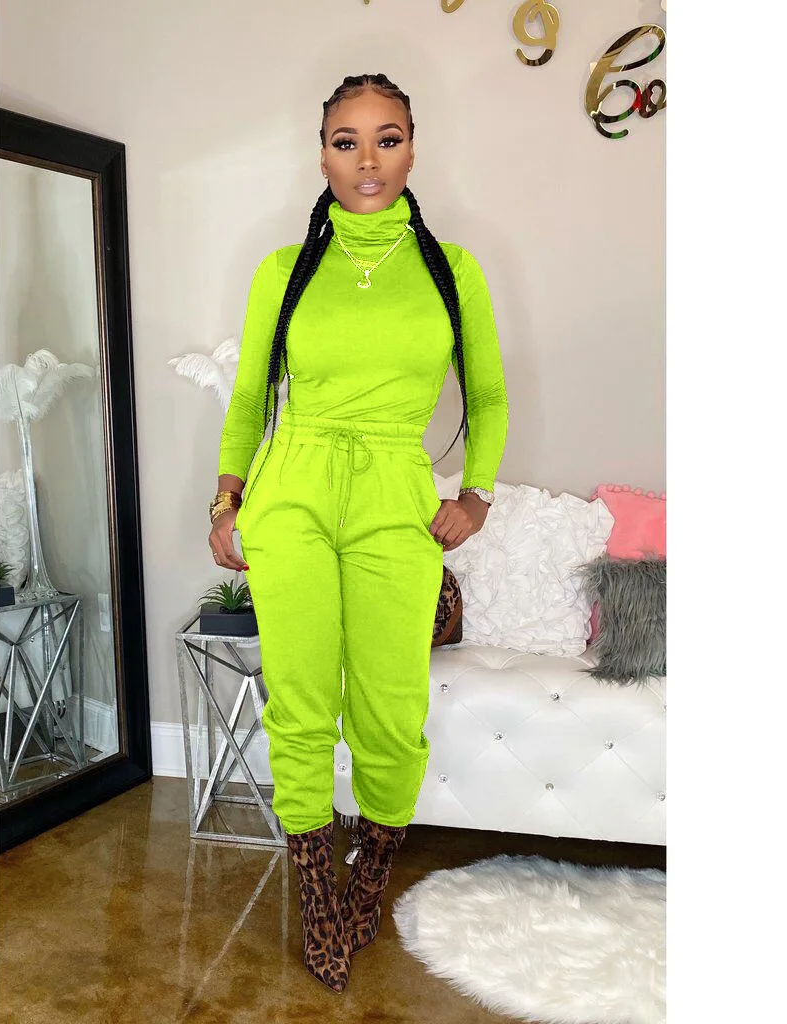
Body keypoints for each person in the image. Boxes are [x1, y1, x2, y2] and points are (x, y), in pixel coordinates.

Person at [208, 73, 508, 993]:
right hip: (292, 488)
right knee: (300, 702)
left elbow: (488, 394)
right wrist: (226, 501)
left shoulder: (453, 271)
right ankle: (316, 894)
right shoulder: (283, 270)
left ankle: (369, 873)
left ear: (413, 148)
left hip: (393, 494)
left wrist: (478, 496)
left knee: (390, 709)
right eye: (347, 141)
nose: (367, 160)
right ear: (323, 155)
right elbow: (251, 398)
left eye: (387, 138)